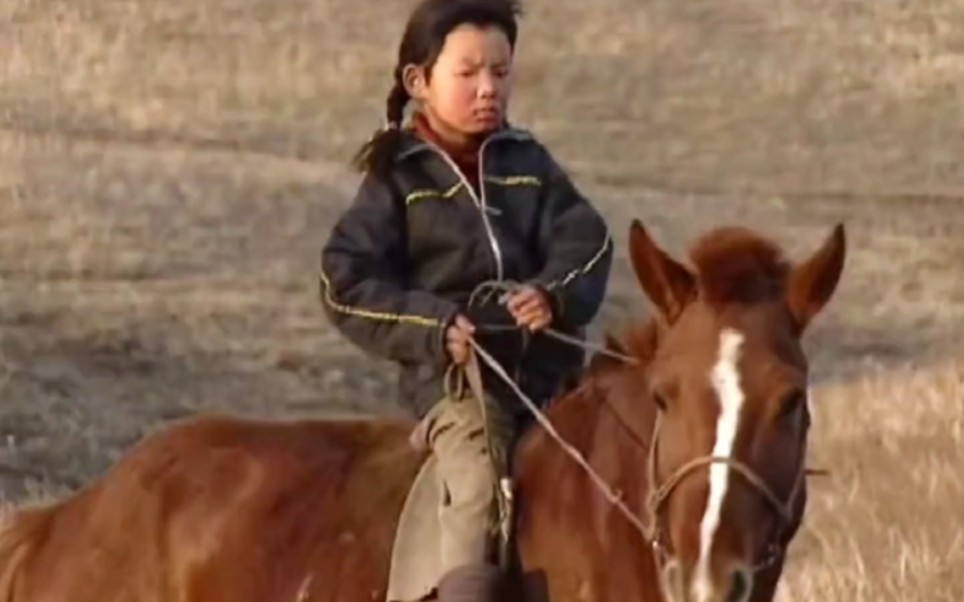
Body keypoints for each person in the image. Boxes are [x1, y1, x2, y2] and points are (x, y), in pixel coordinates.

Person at [318, 0, 612, 599]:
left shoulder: (530, 164)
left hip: (556, 384)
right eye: (468, 72)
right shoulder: (398, 180)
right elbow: (343, 282)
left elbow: (590, 240)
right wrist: (434, 326)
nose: (488, 89)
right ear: (418, 81)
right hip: (461, 390)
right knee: (477, 485)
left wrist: (552, 294)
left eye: (501, 73)